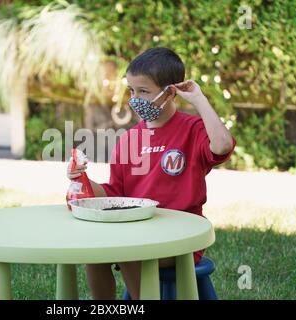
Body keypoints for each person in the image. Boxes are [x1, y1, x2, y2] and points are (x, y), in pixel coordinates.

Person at [66, 47, 236, 300]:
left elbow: (222, 146)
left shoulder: (193, 129)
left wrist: (199, 99)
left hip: (181, 236)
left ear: (170, 92)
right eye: (132, 91)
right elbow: (116, 194)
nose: (135, 99)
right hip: (137, 231)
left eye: (143, 91)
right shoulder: (130, 139)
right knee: (96, 253)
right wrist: (83, 179)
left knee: (130, 251)